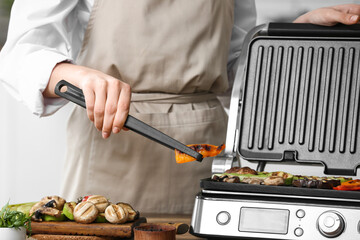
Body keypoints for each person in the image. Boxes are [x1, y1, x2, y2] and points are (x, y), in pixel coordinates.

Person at [0, 1, 359, 214]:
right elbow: (20, 54)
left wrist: (288, 39)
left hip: (207, 158)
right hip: (112, 147)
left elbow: (232, 62)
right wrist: (72, 73)